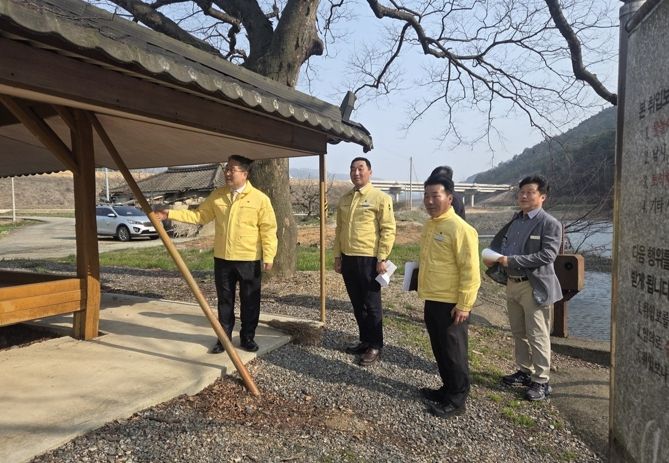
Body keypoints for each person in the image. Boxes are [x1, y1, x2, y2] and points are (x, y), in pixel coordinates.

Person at [154, 155, 277, 353]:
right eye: (226, 169)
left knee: (250, 301)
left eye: (232, 170)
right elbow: (199, 216)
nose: (227, 173)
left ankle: (247, 338)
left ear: (244, 174)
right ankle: (223, 339)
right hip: (223, 259)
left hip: (248, 259)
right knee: (225, 302)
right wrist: (170, 213)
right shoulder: (218, 195)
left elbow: (268, 229)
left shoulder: (260, 199)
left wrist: (269, 256)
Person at [483, 175, 562, 401]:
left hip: (534, 285)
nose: (524, 196)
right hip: (512, 283)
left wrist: (512, 261)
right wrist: (495, 259)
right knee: (519, 332)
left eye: (530, 192)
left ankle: (542, 381)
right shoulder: (517, 220)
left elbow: (548, 255)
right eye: (521, 192)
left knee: (537, 334)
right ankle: (524, 371)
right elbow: (505, 248)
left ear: (542, 197)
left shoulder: (549, 223)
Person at [418, 174, 480, 419]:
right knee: (440, 349)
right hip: (433, 298)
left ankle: (457, 399)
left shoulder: (461, 229)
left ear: (450, 198)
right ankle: (447, 388)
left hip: (452, 303)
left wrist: (464, 304)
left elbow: (470, 271)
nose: (430, 201)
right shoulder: (430, 225)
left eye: (436, 195)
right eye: (426, 196)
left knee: (454, 352)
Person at [334, 157, 396, 366]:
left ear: (370, 172)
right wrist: (337, 256)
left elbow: (388, 229)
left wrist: (382, 258)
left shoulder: (380, 198)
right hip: (348, 258)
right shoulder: (345, 199)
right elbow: (339, 230)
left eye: (361, 168)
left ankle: (376, 345)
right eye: (353, 169)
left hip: (369, 259)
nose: (356, 173)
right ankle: (365, 340)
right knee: (357, 303)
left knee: (371, 305)